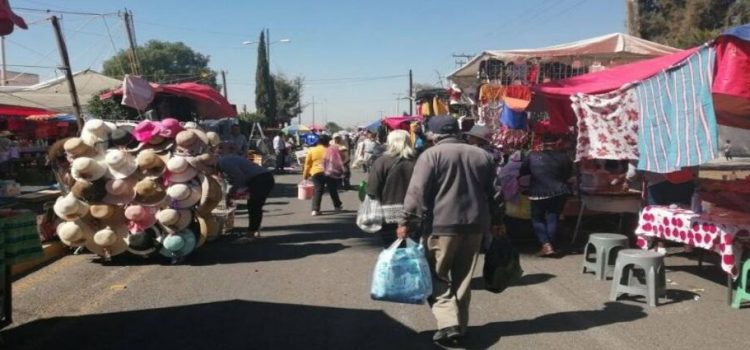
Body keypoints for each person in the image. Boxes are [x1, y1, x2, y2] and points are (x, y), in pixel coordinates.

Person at [397, 116, 503, 345]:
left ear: (434, 134)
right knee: (463, 279)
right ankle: (460, 328)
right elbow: (495, 193)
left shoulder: (431, 155)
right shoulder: (482, 155)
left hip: (440, 226)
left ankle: (448, 323)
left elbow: (416, 192)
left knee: (436, 275)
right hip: (475, 227)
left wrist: (405, 221)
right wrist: (497, 219)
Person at [519, 134, 573, 257]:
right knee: (552, 217)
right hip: (560, 191)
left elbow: (523, 172)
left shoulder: (532, 156)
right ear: (557, 143)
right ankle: (550, 245)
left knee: (537, 219)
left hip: (538, 192)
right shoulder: (564, 157)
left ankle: (546, 245)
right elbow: (568, 175)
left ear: (541, 143)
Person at [216, 142, 275, 243]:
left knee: (254, 206)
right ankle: (255, 230)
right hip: (262, 178)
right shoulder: (225, 160)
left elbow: (240, 178)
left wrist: (231, 192)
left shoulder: (223, 163)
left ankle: (251, 234)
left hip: (261, 179)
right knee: (255, 206)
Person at [366, 130, 416, 247]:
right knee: (413, 250)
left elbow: (372, 189)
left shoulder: (382, 162)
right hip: (414, 214)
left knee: (392, 249)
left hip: (388, 215)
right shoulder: (418, 160)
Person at [303, 134, 343, 216]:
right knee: (332, 189)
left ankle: (315, 210)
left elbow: (307, 164)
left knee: (318, 190)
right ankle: (337, 206)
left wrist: (305, 175)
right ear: (328, 141)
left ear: (318, 141)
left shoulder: (312, 150)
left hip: (316, 172)